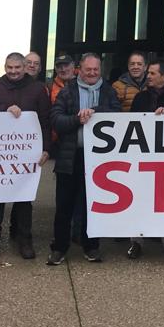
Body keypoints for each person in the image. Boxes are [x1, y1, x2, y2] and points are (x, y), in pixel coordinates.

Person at [0, 52, 51, 261]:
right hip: (0, 155)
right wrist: (5, 109)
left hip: (27, 154)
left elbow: (45, 120)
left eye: (17, 67)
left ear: (24, 67)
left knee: (24, 199)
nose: (13, 71)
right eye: (10, 67)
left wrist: (46, 148)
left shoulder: (37, 90)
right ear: (5, 67)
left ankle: (24, 239)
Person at [48, 52, 121, 265]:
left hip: (98, 159)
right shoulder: (68, 90)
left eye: (95, 69)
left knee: (93, 205)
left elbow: (117, 114)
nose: (92, 73)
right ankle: (59, 248)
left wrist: (95, 112)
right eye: (88, 69)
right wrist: (77, 119)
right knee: (64, 207)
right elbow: (56, 119)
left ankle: (91, 246)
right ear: (80, 68)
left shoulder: (109, 90)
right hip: (70, 157)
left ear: (101, 70)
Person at [127, 59, 164, 260]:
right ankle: (136, 241)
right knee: (140, 198)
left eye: (152, 73)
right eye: (148, 73)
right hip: (143, 155)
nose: (148, 76)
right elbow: (132, 123)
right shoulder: (140, 98)